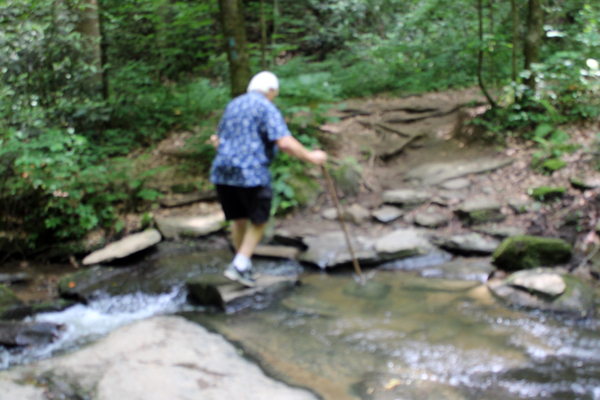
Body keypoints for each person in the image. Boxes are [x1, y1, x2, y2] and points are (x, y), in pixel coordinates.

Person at [210, 71, 327, 287]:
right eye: (275, 93)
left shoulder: (232, 105)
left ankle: (243, 265)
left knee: (239, 219)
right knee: (260, 219)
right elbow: (284, 142)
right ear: (271, 90)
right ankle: (240, 264)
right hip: (251, 172)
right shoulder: (265, 106)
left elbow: (218, 140)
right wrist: (311, 156)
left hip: (223, 172)